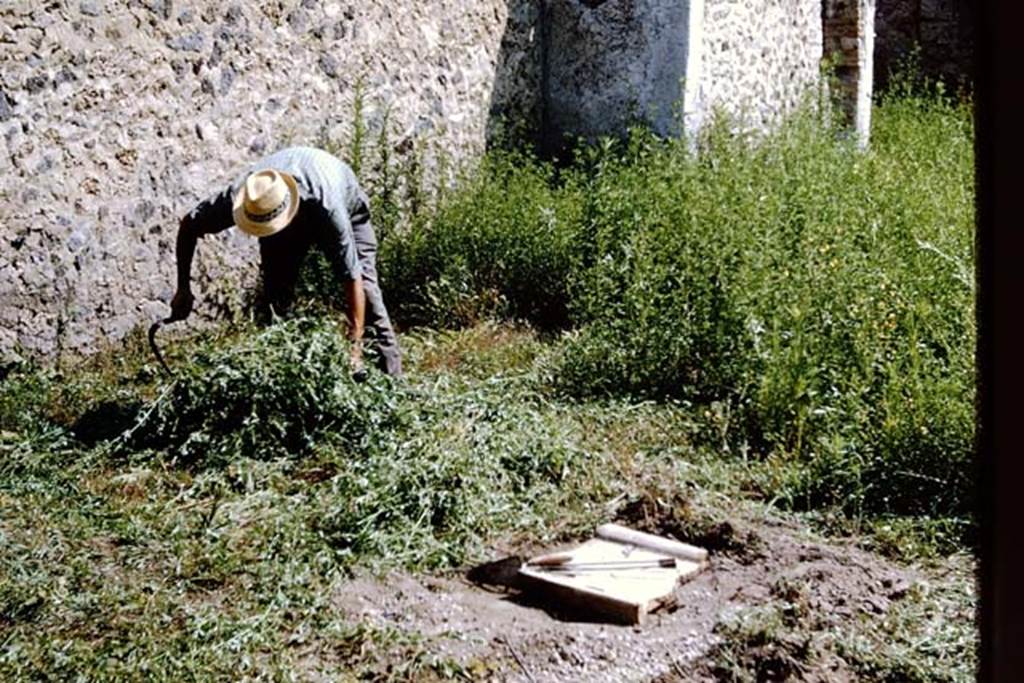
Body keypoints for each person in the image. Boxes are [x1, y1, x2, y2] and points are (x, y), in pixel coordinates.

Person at [169, 145, 403, 378]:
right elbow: (189, 225)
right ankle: (283, 376)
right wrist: (183, 288)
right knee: (275, 300)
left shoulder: (328, 208)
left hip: (345, 203)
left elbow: (353, 278)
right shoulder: (247, 196)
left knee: (368, 294)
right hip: (292, 198)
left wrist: (354, 350)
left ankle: (392, 382)